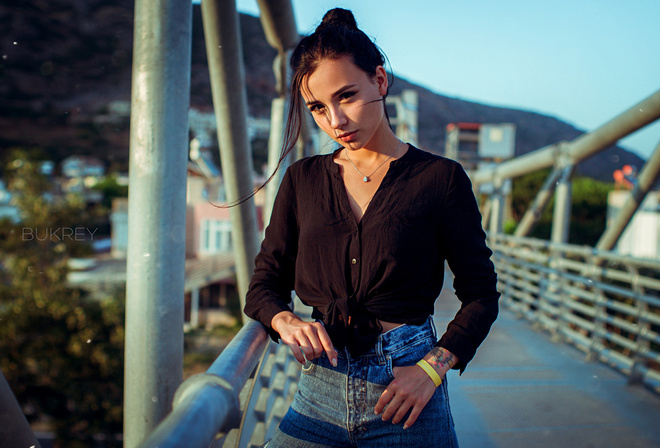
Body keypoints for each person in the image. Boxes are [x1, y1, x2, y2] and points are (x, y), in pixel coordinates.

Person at [244, 8, 499, 448]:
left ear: (379, 81)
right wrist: (283, 318)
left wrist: (432, 369)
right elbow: (264, 284)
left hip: (407, 394)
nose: (335, 121)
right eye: (318, 108)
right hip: (317, 390)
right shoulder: (303, 179)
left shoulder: (440, 179)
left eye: (347, 96)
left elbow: (481, 295)